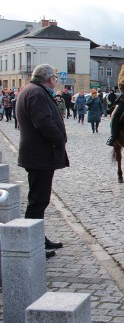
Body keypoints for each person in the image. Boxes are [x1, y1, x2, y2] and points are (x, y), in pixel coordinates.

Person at [15, 64, 69, 258]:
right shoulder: (37, 93)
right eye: (55, 77)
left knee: (39, 199)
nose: (56, 80)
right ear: (48, 78)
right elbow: (43, 122)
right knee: (38, 201)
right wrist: (59, 139)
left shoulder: (34, 90)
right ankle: (33, 243)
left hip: (38, 154)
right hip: (40, 154)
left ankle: (38, 237)